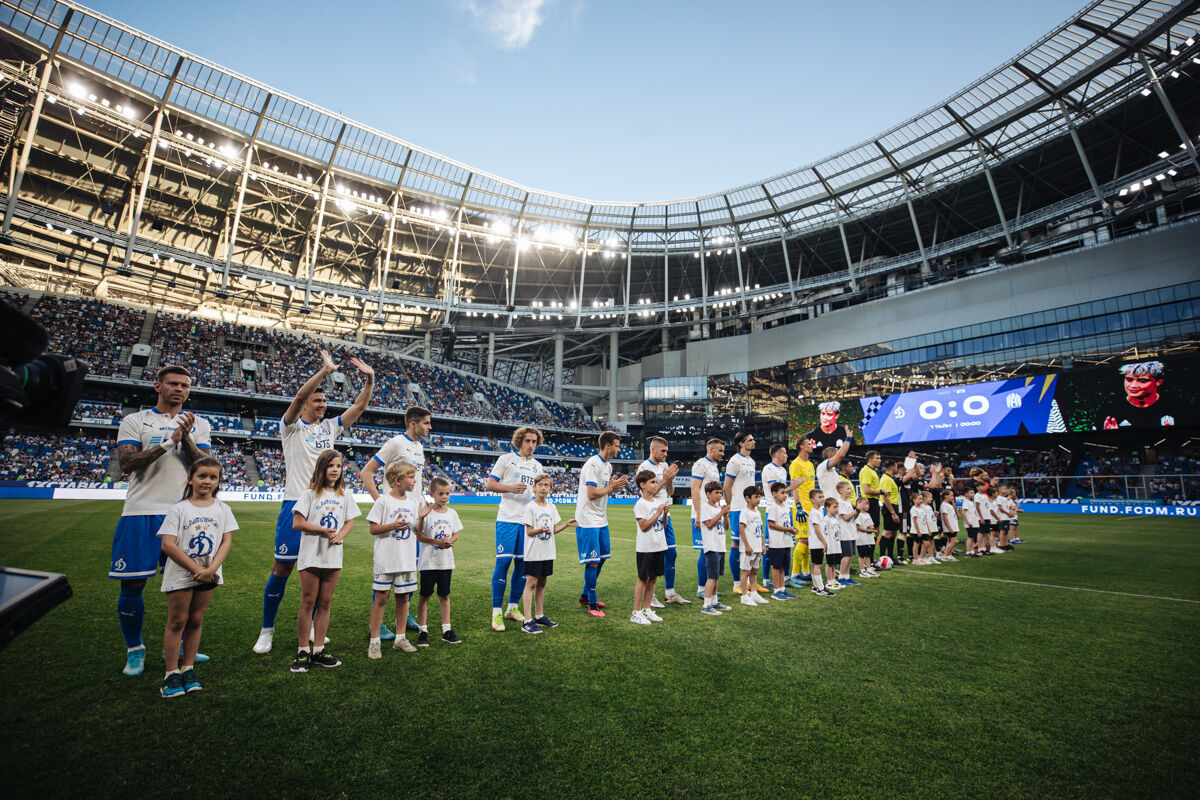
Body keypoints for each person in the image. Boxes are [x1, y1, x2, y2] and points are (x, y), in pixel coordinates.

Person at [255, 350, 374, 656]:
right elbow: (295, 400)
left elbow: (359, 407)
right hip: (295, 503)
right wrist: (324, 372)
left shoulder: (330, 427)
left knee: (318, 573)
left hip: (326, 507)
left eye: (324, 402)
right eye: (317, 401)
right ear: (308, 402)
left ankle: (309, 627)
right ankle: (267, 629)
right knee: (282, 569)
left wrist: (370, 380)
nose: (322, 405)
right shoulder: (291, 427)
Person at [111, 365, 213, 677]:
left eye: (184, 385)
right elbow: (128, 464)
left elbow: (205, 467)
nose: (179, 389)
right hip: (141, 511)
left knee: (186, 585)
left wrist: (186, 439)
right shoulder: (135, 420)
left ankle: (181, 644)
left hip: (184, 514)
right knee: (133, 585)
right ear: (158, 386)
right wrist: (168, 442)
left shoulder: (200, 424)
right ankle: (134, 650)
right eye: (173, 384)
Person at [157, 456, 235, 698]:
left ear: (219, 481)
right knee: (177, 621)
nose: (207, 481)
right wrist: (195, 569)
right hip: (182, 574)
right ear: (190, 479)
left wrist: (211, 570)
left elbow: (226, 541)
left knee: (196, 620)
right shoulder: (178, 509)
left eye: (213, 477)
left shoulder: (223, 509)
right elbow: (168, 545)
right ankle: (171, 674)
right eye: (202, 476)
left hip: (209, 575)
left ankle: (188, 668)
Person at [360, 404, 432, 637]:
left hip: (414, 513)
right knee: (387, 568)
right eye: (426, 423)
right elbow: (366, 472)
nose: (430, 427)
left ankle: (404, 614)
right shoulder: (395, 443)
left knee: (410, 565)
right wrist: (381, 503)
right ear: (413, 424)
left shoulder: (419, 447)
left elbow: (416, 480)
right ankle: (376, 624)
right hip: (395, 514)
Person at [290, 449, 360, 672]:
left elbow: (350, 522)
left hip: (333, 556)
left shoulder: (345, 495)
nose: (335, 470)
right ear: (322, 467)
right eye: (331, 466)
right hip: (311, 554)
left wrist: (340, 535)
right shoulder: (310, 493)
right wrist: (322, 530)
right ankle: (303, 650)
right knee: (308, 600)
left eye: (338, 466)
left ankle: (318, 648)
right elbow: (297, 523)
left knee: (325, 602)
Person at [483, 426, 544, 631]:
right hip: (507, 519)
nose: (531, 445)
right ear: (519, 442)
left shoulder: (538, 466)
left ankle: (512, 607)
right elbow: (489, 485)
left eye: (534, 442)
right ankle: (496, 613)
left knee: (522, 566)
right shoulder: (505, 460)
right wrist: (510, 488)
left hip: (526, 522)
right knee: (503, 563)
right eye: (527, 441)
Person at [366, 460, 421, 658]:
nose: (415, 480)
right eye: (411, 477)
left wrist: (421, 518)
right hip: (386, 559)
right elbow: (373, 529)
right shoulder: (383, 502)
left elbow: (418, 531)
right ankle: (374, 642)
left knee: (403, 598)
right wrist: (392, 525)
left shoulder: (413, 503)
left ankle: (400, 638)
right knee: (381, 598)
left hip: (406, 559)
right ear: (398, 480)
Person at [575, 431, 626, 617]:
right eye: (617, 446)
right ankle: (592, 603)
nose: (619, 449)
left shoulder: (608, 466)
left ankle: (585, 595)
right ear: (607, 445)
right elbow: (591, 494)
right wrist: (611, 487)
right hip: (587, 518)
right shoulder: (593, 464)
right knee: (593, 562)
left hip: (601, 517)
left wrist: (612, 487)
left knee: (602, 557)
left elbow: (603, 492)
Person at [521, 473, 576, 634]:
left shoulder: (551, 507)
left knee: (542, 583)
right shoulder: (531, 507)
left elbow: (553, 530)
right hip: (534, 552)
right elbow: (529, 532)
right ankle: (527, 620)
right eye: (540, 485)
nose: (543, 487)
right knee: (531, 584)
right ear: (534, 487)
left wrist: (566, 524)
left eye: (546, 485)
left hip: (547, 552)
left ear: (550, 489)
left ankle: (539, 615)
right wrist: (539, 529)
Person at [637, 437, 688, 606]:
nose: (666, 454)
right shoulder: (644, 467)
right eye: (663, 451)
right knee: (653, 556)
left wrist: (670, 480)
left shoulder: (664, 467)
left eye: (667, 451)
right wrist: (664, 479)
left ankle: (670, 593)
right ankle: (650, 597)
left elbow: (670, 492)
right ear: (653, 450)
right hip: (651, 514)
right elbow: (649, 493)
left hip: (666, 514)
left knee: (671, 553)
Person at [415, 476, 462, 647]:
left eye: (447, 493)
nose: (444, 496)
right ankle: (423, 631)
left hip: (445, 562)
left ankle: (446, 630)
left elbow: (456, 533)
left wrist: (450, 541)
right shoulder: (427, 513)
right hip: (428, 562)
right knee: (425, 596)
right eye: (441, 493)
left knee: (444, 595)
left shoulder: (452, 513)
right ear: (432, 494)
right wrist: (437, 541)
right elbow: (418, 534)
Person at [724, 431, 765, 594]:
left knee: (752, 542)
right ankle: (737, 584)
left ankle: (749, 581)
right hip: (737, 508)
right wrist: (730, 505)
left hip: (750, 508)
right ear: (741, 443)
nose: (754, 442)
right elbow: (726, 486)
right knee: (736, 543)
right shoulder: (734, 461)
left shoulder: (751, 461)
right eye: (750, 440)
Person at [631, 470, 671, 625]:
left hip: (659, 545)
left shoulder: (656, 503)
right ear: (642, 485)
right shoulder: (640, 504)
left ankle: (647, 609)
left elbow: (664, 524)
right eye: (653, 482)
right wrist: (659, 512)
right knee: (643, 579)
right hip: (646, 547)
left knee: (653, 578)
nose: (656, 485)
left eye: (656, 482)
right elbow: (644, 526)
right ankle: (636, 611)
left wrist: (665, 514)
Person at [760, 443, 801, 590]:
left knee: (785, 544)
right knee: (769, 546)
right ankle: (766, 580)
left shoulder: (782, 470)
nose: (786, 456)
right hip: (773, 510)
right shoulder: (769, 469)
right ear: (778, 455)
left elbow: (782, 492)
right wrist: (794, 486)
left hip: (784, 508)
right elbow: (775, 491)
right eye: (784, 453)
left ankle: (785, 579)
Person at [691, 438, 725, 599]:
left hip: (712, 512)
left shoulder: (714, 466)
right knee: (705, 552)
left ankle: (708, 588)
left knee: (712, 550)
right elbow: (695, 488)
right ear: (711, 450)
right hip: (702, 515)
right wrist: (698, 513)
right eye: (720, 450)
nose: (722, 454)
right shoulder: (700, 464)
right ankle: (701, 588)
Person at [1100, 361, 1178, 429]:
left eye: (1142, 381)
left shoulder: (1177, 407)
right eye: (1129, 379)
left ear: (1158, 382)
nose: (1133, 385)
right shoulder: (1109, 412)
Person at [786, 437, 817, 587]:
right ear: (801, 447)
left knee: (810, 540)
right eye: (807, 444)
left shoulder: (810, 464)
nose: (811, 446)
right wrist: (798, 506)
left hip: (812, 506)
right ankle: (794, 573)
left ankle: (805, 572)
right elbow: (794, 486)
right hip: (802, 508)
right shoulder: (796, 464)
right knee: (803, 539)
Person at [699, 481, 732, 615]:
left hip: (720, 546)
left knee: (716, 576)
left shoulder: (719, 508)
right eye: (716, 493)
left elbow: (726, 527)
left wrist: (725, 515)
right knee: (711, 577)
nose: (719, 495)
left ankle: (714, 601)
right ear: (708, 494)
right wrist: (721, 513)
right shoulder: (705, 507)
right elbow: (709, 524)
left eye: (720, 493)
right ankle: (706, 605)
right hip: (711, 546)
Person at [765, 482, 798, 601]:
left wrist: (792, 529)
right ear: (774, 494)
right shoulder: (773, 507)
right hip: (777, 542)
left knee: (784, 566)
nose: (785, 495)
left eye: (786, 493)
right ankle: (776, 590)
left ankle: (782, 588)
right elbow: (771, 524)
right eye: (782, 493)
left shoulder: (785, 507)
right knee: (777, 566)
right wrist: (787, 529)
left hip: (786, 541)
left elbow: (786, 523)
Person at [737, 486, 768, 606]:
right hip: (749, 548)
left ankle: (754, 593)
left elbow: (760, 530)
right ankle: (744, 596)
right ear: (747, 498)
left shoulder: (758, 512)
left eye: (759, 497)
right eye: (756, 497)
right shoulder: (745, 512)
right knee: (746, 572)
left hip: (757, 548)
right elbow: (741, 528)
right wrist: (747, 545)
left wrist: (763, 545)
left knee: (754, 571)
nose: (758, 499)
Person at [805, 492, 835, 597]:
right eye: (820, 497)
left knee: (814, 564)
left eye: (823, 497)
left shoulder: (820, 511)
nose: (822, 499)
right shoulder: (815, 512)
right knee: (818, 565)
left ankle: (815, 586)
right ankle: (821, 588)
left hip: (816, 542)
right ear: (813, 500)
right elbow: (817, 529)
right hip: (817, 542)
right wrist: (824, 542)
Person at [878, 459, 903, 565]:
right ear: (893, 468)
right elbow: (885, 498)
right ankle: (882, 558)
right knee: (887, 532)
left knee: (893, 533)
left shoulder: (889, 478)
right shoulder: (886, 479)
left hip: (893, 507)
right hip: (889, 508)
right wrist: (892, 512)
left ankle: (890, 557)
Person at [834, 480, 859, 586]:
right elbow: (845, 517)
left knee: (850, 555)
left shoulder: (848, 502)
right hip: (844, 533)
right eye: (848, 489)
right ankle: (841, 577)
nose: (850, 490)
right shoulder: (840, 502)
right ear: (840, 491)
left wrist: (857, 511)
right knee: (846, 555)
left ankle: (847, 576)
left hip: (851, 531)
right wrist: (857, 509)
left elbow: (853, 516)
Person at [818, 497, 843, 592]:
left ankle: (833, 579)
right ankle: (829, 581)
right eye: (834, 507)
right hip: (830, 546)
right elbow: (823, 533)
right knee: (829, 564)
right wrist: (825, 545)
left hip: (836, 545)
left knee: (834, 564)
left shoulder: (835, 519)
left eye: (837, 507)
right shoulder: (826, 519)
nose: (837, 509)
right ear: (827, 508)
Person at [853, 497, 879, 578]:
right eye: (865, 504)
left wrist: (872, 528)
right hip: (861, 539)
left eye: (868, 504)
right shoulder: (858, 515)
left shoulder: (868, 514)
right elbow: (858, 527)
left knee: (868, 554)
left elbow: (871, 524)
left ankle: (869, 569)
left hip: (869, 538)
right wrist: (869, 531)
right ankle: (862, 570)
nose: (868, 506)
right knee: (862, 555)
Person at [938, 489, 960, 562]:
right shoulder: (944, 505)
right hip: (950, 527)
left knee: (950, 541)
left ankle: (949, 555)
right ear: (945, 496)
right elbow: (945, 516)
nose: (952, 497)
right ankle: (946, 555)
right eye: (951, 495)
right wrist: (949, 527)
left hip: (953, 525)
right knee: (954, 541)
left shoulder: (948, 504)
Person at [961, 485, 982, 558]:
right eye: (971, 493)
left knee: (973, 537)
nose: (973, 495)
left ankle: (972, 551)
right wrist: (967, 521)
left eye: (973, 493)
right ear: (966, 494)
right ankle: (968, 552)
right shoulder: (966, 502)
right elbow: (963, 511)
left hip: (974, 522)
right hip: (970, 523)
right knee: (970, 537)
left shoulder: (971, 502)